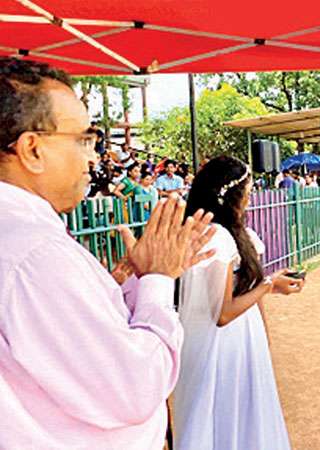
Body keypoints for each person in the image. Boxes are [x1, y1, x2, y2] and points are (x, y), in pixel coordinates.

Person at [0, 56, 216, 449]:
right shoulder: (36, 255)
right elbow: (135, 386)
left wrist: (126, 283)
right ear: (32, 150)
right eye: (84, 138)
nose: (94, 156)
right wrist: (157, 282)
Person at [172, 156, 304, 450]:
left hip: (228, 338)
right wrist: (270, 285)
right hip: (224, 343)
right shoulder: (218, 237)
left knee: (223, 417)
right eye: (247, 190)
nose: (250, 196)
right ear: (232, 195)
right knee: (229, 418)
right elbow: (223, 312)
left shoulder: (204, 232)